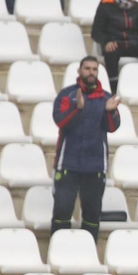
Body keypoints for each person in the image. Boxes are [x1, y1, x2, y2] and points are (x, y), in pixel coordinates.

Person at [50, 56, 121, 238]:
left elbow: (112, 127)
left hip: (95, 166)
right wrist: (77, 108)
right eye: (87, 68)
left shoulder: (106, 98)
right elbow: (60, 121)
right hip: (68, 163)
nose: (91, 72)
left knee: (92, 215)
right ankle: (58, 250)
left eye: (94, 69)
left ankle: (89, 251)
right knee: (62, 211)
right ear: (79, 71)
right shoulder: (67, 95)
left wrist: (110, 111)